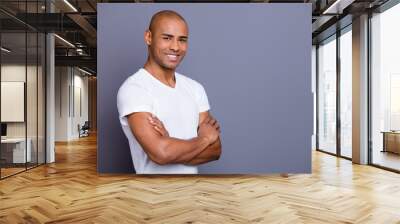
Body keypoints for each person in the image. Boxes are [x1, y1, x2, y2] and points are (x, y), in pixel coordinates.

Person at [117, 10, 222, 174]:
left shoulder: (195, 89)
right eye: (166, 38)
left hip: (192, 195)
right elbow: (161, 153)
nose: (175, 47)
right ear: (148, 37)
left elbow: (215, 151)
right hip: (153, 197)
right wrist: (205, 138)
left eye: (182, 40)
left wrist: (168, 142)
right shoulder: (134, 89)